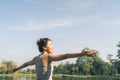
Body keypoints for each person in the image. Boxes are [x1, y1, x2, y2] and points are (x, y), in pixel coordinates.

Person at [13, 38, 98, 80]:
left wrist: (16, 69)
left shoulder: (36, 58)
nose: (53, 46)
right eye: (51, 45)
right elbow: (66, 55)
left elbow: (26, 64)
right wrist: (83, 54)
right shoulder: (48, 57)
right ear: (44, 47)